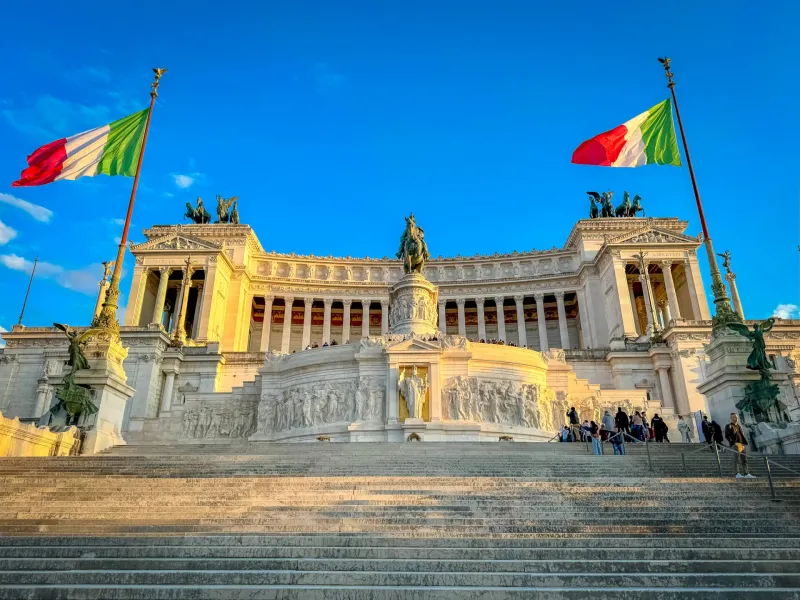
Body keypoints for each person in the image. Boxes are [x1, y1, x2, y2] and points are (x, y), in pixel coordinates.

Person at [725, 413, 755, 479]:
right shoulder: (729, 426)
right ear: (731, 418)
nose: (736, 418)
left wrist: (744, 443)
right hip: (735, 445)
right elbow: (726, 435)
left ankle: (746, 473)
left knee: (744, 460)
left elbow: (742, 435)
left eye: (737, 417)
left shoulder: (738, 426)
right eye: (735, 417)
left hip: (742, 445)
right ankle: (737, 474)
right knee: (736, 460)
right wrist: (733, 443)